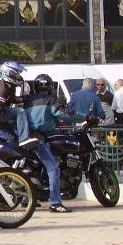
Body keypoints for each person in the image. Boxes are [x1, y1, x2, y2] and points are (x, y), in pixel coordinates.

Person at [23, 74, 87, 213]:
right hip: (38, 138)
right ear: (50, 86)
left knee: (32, 169)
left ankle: (26, 199)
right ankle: (55, 202)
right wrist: (85, 117)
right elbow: (65, 114)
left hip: (24, 137)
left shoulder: (28, 101)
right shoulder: (51, 100)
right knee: (53, 169)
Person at [0, 61, 31, 146]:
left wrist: (25, 99)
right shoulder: (3, 88)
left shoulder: (9, 85)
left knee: (12, 138)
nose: (19, 76)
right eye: (17, 74)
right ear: (9, 73)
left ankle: (9, 158)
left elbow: (11, 99)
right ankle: (24, 139)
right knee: (20, 111)